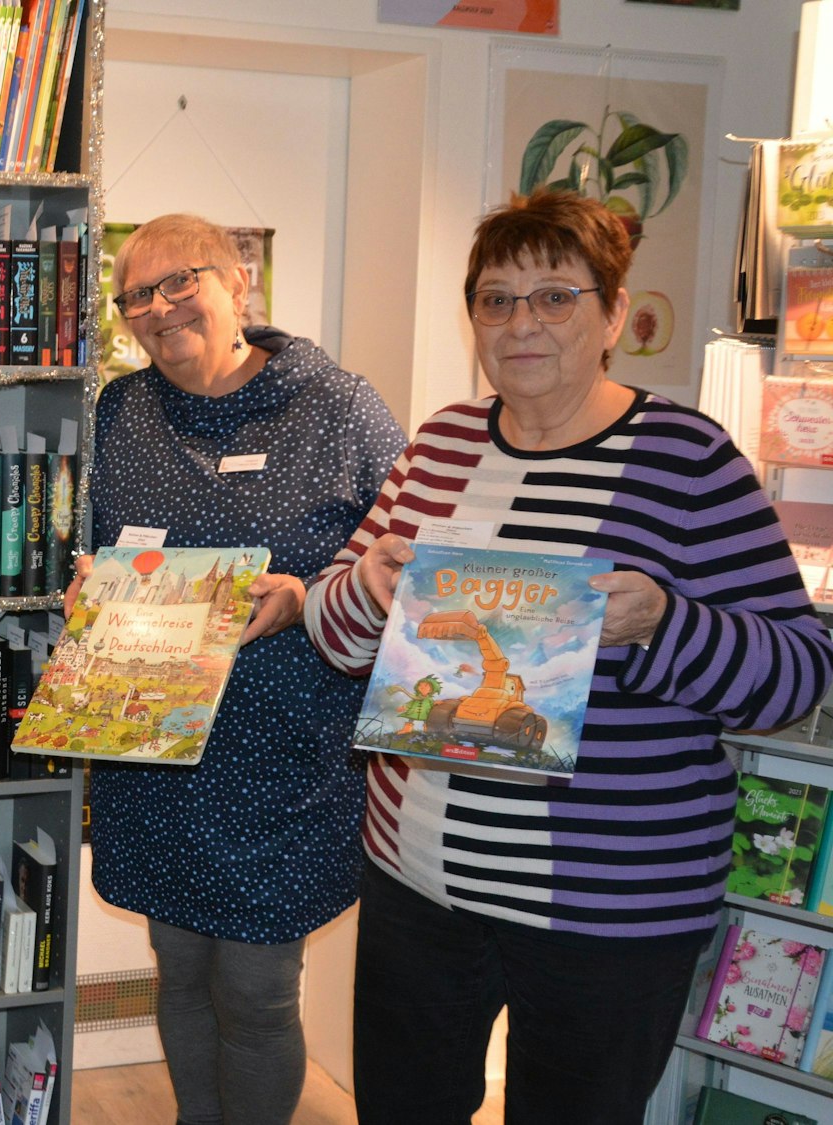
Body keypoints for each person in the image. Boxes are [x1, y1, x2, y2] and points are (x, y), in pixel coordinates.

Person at [304, 189, 833, 1124]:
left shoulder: (689, 461)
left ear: (614, 314)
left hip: (607, 914)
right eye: (496, 300)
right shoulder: (439, 446)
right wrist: (365, 590)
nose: (522, 324)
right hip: (418, 886)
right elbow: (339, 638)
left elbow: (799, 671)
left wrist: (666, 624)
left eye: (556, 296)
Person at [80, 213, 405, 1125]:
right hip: (153, 748)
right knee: (178, 970)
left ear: (239, 284)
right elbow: (104, 549)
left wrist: (303, 595)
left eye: (180, 281)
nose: (158, 307)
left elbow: (407, 556)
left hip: (284, 754)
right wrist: (94, 584)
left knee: (259, 991)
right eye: (137, 295)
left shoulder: (338, 406)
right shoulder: (121, 410)